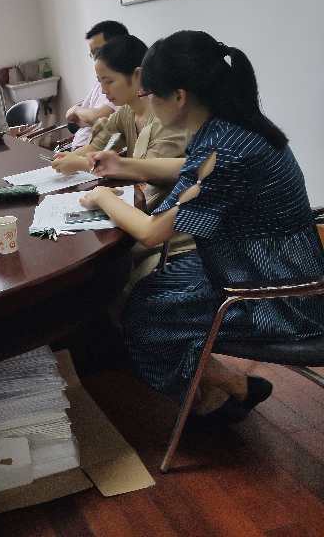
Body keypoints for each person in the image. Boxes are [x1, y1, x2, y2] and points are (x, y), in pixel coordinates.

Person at [80, 31, 324, 422]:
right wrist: (125, 166)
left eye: (149, 94)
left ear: (179, 97)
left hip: (279, 296)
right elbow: (192, 171)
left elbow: (153, 232)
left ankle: (221, 394)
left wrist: (102, 198)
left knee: (143, 314)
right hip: (266, 262)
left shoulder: (224, 151)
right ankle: (228, 389)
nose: (146, 102)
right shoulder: (231, 127)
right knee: (144, 291)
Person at [52, 34, 191, 212]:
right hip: (140, 203)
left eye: (109, 81)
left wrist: (80, 163)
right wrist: (68, 158)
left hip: (162, 209)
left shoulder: (166, 117)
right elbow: (96, 146)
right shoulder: (126, 112)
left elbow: (149, 172)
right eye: (100, 82)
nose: (103, 90)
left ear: (138, 75)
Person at [66, 21, 128, 149]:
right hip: (80, 150)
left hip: (93, 155)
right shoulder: (100, 81)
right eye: (93, 54)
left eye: (98, 52)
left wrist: (77, 110)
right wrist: (84, 116)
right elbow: (75, 119)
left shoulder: (122, 84)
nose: (96, 58)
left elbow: (99, 117)